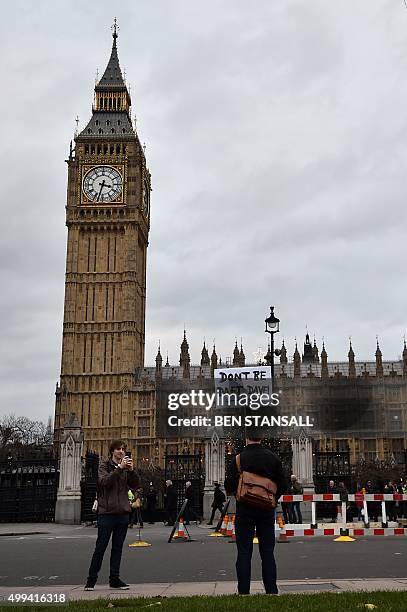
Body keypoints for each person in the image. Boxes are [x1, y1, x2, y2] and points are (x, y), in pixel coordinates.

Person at [224, 436, 287, 595]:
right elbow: (284, 485)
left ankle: (244, 592)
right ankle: (271, 591)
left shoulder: (238, 459)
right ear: (262, 438)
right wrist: (272, 497)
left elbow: (229, 485)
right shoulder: (273, 458)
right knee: (267, 552)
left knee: (244, 552)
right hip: (266, 510)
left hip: (244, 509)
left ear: (246, 439)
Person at [84, 440, 139, 591]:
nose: (121, 451)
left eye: (123, 449)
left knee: (117, 548)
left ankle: (114, 579)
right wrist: (119, 468)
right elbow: (104, 482)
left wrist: (131, 470)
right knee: (100, 547)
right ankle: (91, 580)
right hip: (106, 513)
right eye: (118, 449)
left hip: (122, 513)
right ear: (112, 451)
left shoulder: (125, 468)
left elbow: (135, 485)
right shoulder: (104, 466)